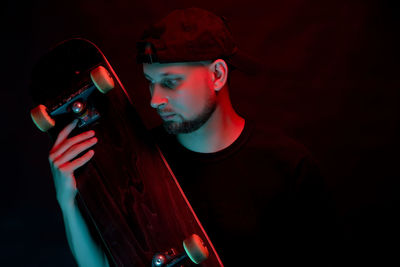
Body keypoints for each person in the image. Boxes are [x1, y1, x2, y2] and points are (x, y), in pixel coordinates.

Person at [49, 7, 337, 267]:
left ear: (217, 74)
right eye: (150, 83)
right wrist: (68, 203)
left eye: (171, 83)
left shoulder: (288, 166)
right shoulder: (137, 162)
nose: (155, 99)